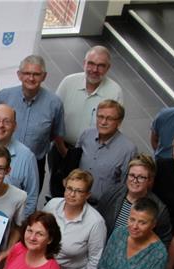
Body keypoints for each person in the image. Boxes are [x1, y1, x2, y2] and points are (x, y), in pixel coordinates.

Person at [52, 46, 123, 197]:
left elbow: (114, 126)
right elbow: (54, 116)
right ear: (84, 63)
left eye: (101, 65)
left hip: (91, 155)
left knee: (82, 193)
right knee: (57, 190)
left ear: (108, 68)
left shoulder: (115, 91)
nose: (94, 69)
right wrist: (62, 148)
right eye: (91, 63)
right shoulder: (68, 82)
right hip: (61, 148)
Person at [0, 54, 65, 193]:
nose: (31, 78)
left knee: (29, 205)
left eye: (36, 74)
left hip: (35, 165)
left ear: (44, 76)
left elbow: (55, 134)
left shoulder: (54, 103)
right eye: (27, 73)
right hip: (2, 161)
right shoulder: (4, 97)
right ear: (19, 75)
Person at [98, 155, 172, 245]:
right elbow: (98, 223)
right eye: (132, 175)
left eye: (141, 177)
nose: (135, 180)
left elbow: (164, 242)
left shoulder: (159, 210)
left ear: (150, 180)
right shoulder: (112, 194)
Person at [76, 99, 136, 202]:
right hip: (76, 200)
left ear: (119, 122)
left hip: (103, 206)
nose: (103, 122)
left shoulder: (128, 149)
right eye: (100, 117)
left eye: (109, 119)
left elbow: (125, 185)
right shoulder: (86, 135)